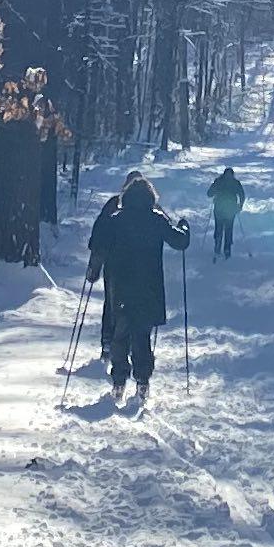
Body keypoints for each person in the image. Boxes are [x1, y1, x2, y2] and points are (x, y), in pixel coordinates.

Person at [86, 170, 190, 404]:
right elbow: (180, 242)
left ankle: (119, 381)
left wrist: (94, 269)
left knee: (120, 334)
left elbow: (97, 243)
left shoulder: (116, 221)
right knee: (142, 335)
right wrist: (184, 227)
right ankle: (142, 381)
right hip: (149, 288)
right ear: (150, 197)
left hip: (120, 287)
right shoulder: (157, 220)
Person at [208, 165, 247, 259]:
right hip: (230, 209)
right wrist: (239, 206)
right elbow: (242, 195)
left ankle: (217, 244)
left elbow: (209, 193)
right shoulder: (235, 182)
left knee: (219, 227)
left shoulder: (218, 181)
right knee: (229, 229)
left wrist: (215, 192)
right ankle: (227, 249)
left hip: (219, 208)